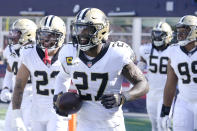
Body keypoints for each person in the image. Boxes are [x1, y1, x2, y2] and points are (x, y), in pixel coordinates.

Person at [54, 8, 149, 131]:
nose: (81, 34)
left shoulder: (116, 53)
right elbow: (62, 76)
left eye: (87, 29)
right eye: (78, 28)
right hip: (84, 125)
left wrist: (123, 97)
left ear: (101, 31)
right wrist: (58, 96)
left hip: (112, 125)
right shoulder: (68, 52)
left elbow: (143, 84)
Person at [11, 15, 69, 131]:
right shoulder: (29, 53)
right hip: (36, 111)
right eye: (43, 34)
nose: (46, 39)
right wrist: (16, 115)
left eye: (51, 36)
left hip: (58, 111)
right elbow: (19, 86)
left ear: (60, 37)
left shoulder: (69, 54)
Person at [160, 15, 197, 131]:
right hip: (184, 102)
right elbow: (170, 84)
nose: (180, 34)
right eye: (179, 31)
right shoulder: (173, 51)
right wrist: (165, 111)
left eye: (184, 31)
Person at [0, 18, 37, 131]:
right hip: (16, 97)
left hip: (33, 98)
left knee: (28, 128)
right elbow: (10, 71)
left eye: (17, 33)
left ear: (28, 34)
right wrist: (5, 88)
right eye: (13, 32)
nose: (13, 36)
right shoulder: (9, 51)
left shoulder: (36, 52)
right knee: (8, 127)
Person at [138, 21, 173, 131]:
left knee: (162, 124)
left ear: (168, 36)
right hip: (151, 93)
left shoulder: (174, 50)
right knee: (154, 125)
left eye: (160, 35)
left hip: (166, 94)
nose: (157, 37)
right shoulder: (145, 50)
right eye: (155, 34)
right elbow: (141, 66)